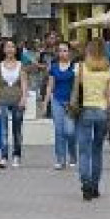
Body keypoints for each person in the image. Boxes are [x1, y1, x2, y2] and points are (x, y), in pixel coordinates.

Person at [74, 39, 110, 201]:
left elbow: (76, 90)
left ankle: (86, 184)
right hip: (102, 112)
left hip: (85, 111)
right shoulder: (108, 70)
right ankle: (95, 186)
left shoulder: (81, 68)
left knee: (84, 151)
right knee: (97, 151)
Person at [0, 38, 28, 169]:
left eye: (12, 47)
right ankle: (4, 157)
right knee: (4, 130)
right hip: (2, 100)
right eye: (7, 47)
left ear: (15, 50)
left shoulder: (21, 64)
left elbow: (24, 83)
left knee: (17, 130)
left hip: (18, 100)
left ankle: (17, 155)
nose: (10, 49)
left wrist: (24, 97)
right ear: (4, 50)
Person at [43, 42, 77, 170]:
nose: (62, 53)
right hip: (57, 101)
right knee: (59, 131)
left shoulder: (75, 67)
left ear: (70, 52)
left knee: (70, 131)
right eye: (60, 51)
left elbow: (77, 86)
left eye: (65, 51)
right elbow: (50, 86)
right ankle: (60, 159)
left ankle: (73, 154)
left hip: (70, 102)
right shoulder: (54, 67)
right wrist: (46, 102)